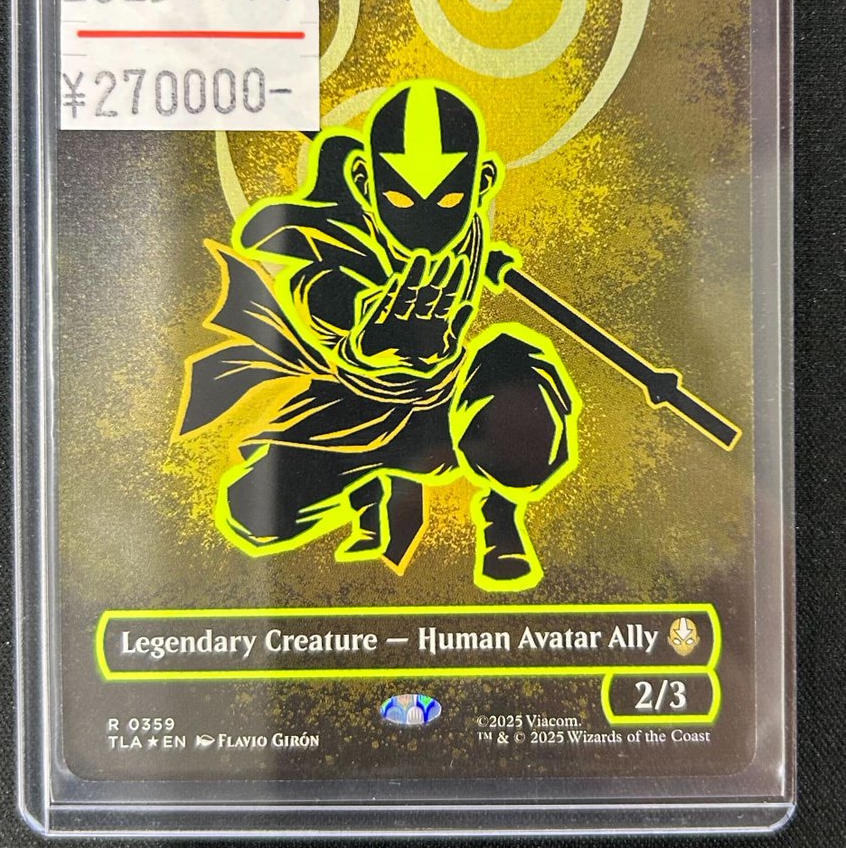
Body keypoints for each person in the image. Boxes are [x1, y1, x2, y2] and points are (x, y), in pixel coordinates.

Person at [177, 79, 580, 590]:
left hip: (452, 410)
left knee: (516, 368)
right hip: (362, 413)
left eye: (449, 198)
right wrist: (369, 348)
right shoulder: (321, 242)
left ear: (482, 183)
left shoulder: (473, 234)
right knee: (253, 515)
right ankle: (369, 492)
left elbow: (465, 248)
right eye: (400, 198)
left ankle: (500, 513)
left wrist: (486, 265)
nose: (427, 221)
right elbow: (324, 299)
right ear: (365, 183)